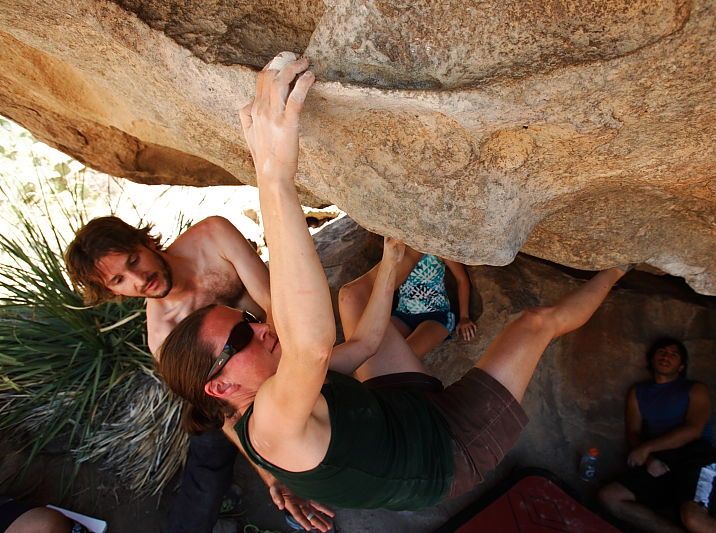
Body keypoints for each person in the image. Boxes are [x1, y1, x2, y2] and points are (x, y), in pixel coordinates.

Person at [156, 51, 627, 513]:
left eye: (247, 318)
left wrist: (393, 255)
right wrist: (274, 174)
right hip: (448, 451)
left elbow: (363, 344)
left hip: (397, 410)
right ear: (219, 388)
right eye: (242, 336)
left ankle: (408, 251)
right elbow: (312, 346)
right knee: (533, 324)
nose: (261, 326)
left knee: (353, 299)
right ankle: (622, 263)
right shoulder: (270, 422)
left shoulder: (255, 405)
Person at [64, 216, 316, 532]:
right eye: (119, 280)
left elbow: (275, 306)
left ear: (146, 242)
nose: (138, 279)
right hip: (238, 391)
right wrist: (270, 476)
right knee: (208, 445)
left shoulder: (213, 237)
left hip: (283, 345)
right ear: (112, 291)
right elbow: (224, 411)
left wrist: (295, 378)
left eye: (133, 260)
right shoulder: (165, 336)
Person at [598, 338, 716, 533]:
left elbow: (693, 430)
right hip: (662, 462)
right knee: (610, 497)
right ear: (651, 359)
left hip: (699, 458)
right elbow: (633, 433)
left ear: (681, 366)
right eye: (662, 352)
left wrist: (647, 449)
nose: (666, 356)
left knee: (694, 520)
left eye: (673, 354)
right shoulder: (638, 392)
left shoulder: (695, 389)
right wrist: (649, 459)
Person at [390, 251, 477, 358]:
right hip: (402, 314)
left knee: (405, 356)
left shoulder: (439, 249)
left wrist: (464, 317)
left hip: (437, 316)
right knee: (377, 349)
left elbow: (462, 279)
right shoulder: (400, 249)